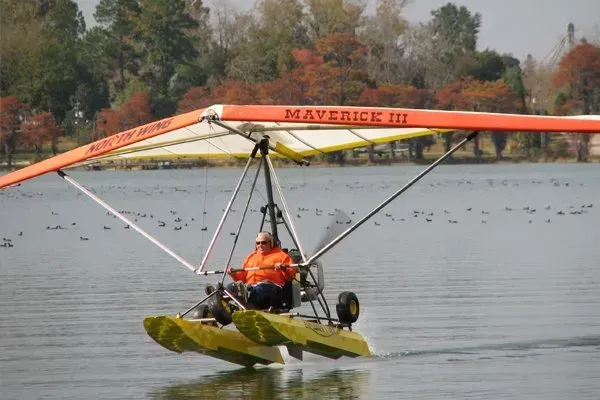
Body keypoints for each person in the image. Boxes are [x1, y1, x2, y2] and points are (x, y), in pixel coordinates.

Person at [227, 231, 296, 310]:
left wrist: (283, 268)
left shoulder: (281, 256)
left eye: (263, 243)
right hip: (251, 287)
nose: (260, 245)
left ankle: (249, 308)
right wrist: (234, 274)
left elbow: (291, 276)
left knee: (260, 288)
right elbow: (243, 277)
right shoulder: (251, 256)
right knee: (230, 287)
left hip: (271, 289)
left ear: (271, 243)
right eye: (258, 243)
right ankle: (223, 309)